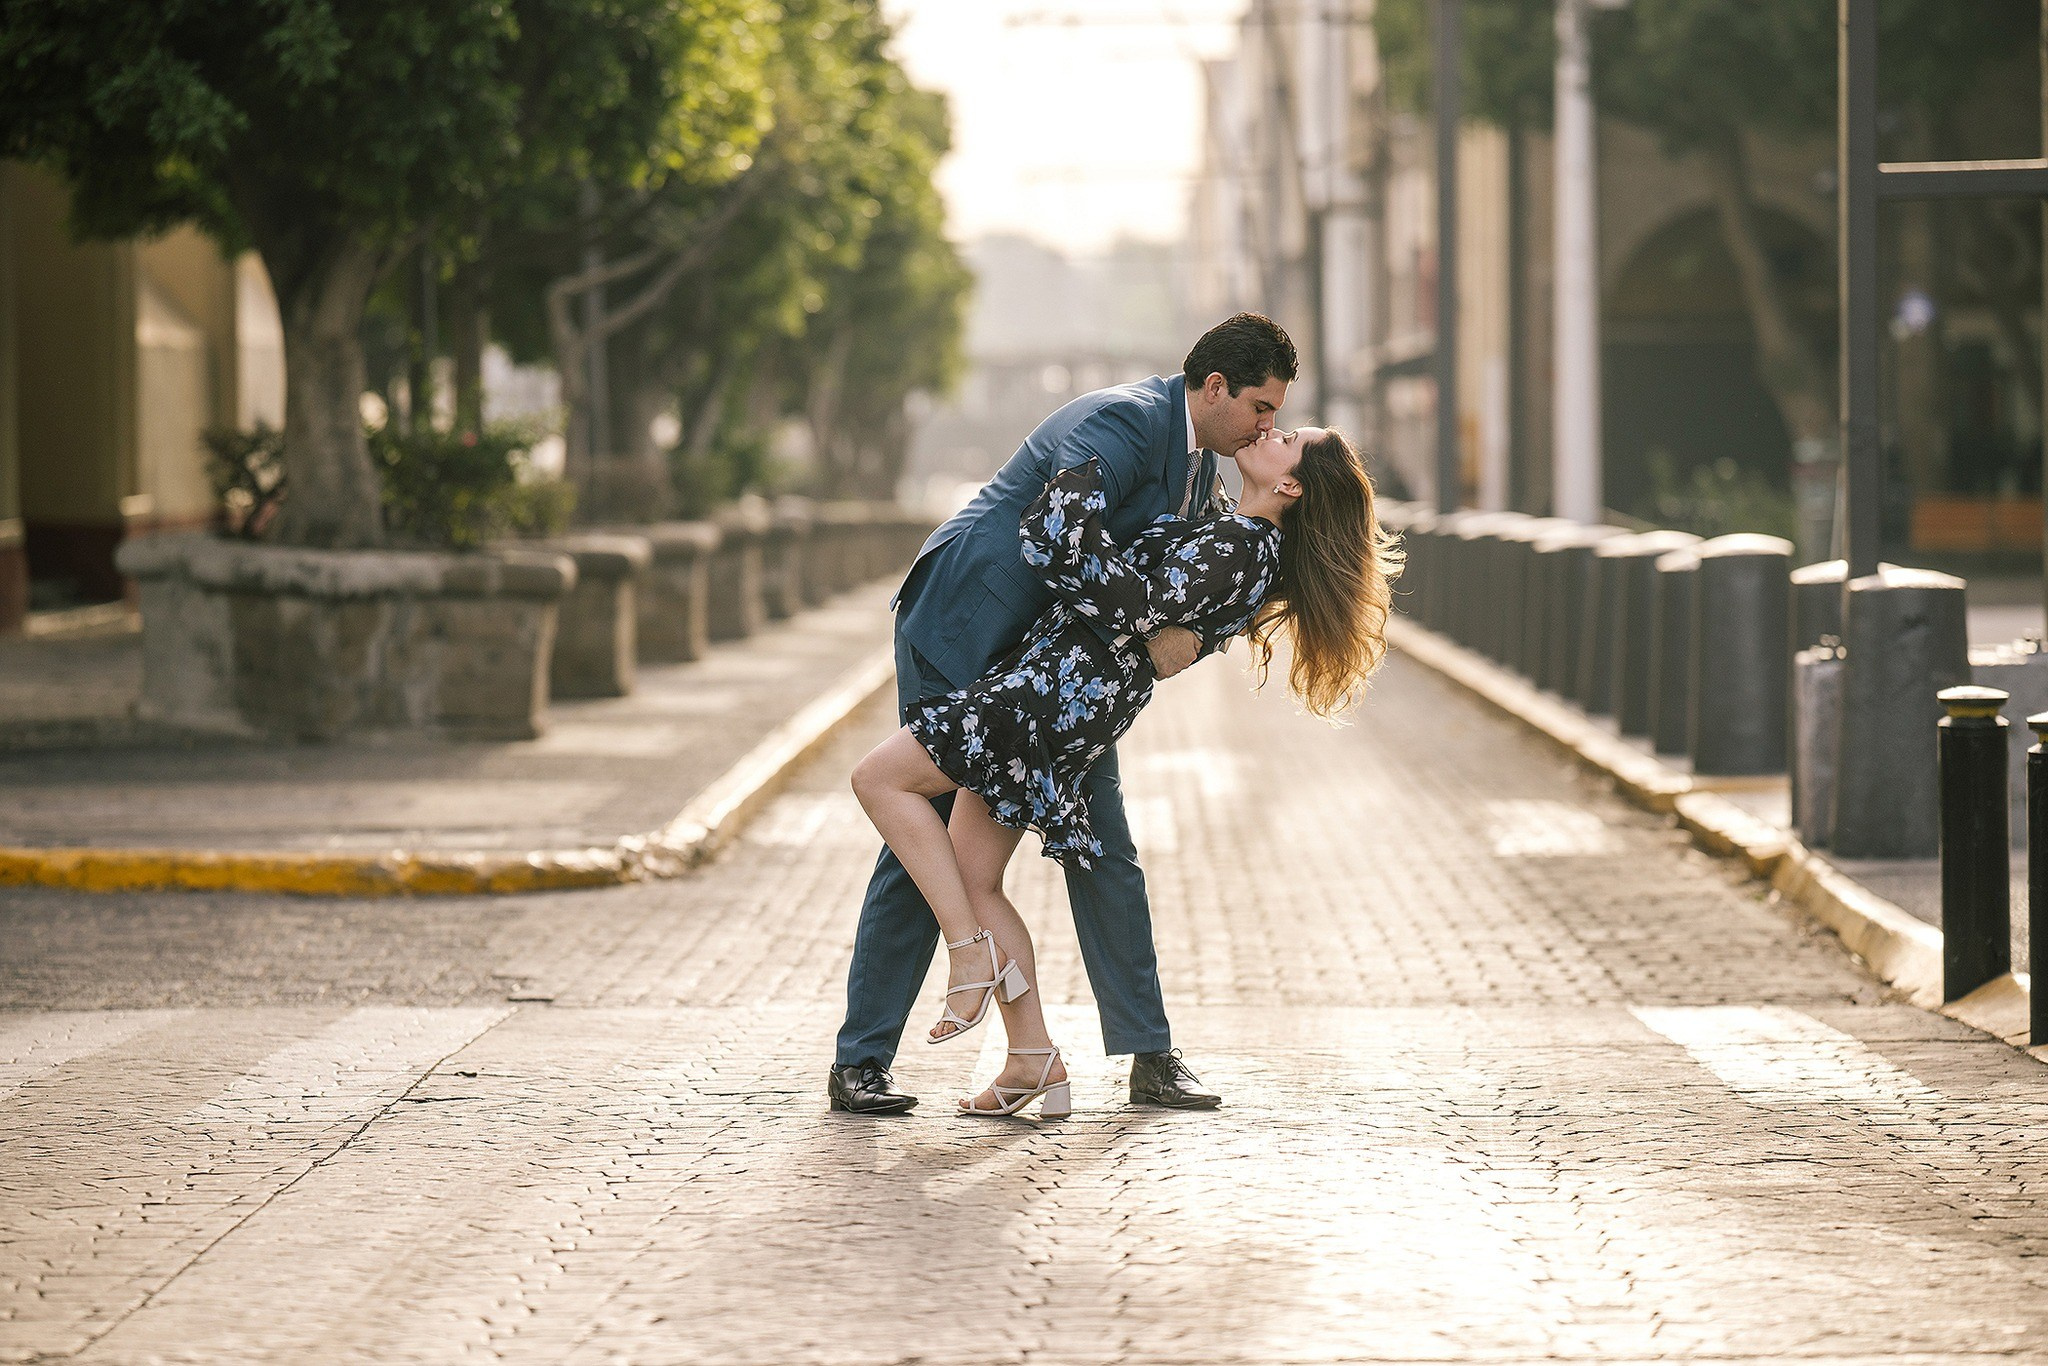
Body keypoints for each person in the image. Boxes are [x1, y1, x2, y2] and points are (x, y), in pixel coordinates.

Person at [850, 424, 1398, 1116]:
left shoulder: (1244, 547)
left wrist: (1073, 492)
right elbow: (1153, 616)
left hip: (1046, 697)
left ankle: (967, 956)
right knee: (972, 877)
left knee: (879, 779)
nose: (1270, 430)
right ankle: (1032, 1058)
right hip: (1057, 690)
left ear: (1290, 484)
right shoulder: (1237, 535)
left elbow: (1135, 602)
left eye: (1287, 436)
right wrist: (1156, 620)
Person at [828, 314, 1300, 1117]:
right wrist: (1152, 629)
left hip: (1057, 672)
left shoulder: (1202, 474)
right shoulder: (1117, 420)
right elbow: (1055, 538)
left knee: (1104, 842)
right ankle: (862, 1061)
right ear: (1215, 387)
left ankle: (1138, 1054)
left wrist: (1192, 635)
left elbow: (1208, 581)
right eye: (1261, 407)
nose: (1268, 425)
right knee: (929, 825)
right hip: (967, 621)